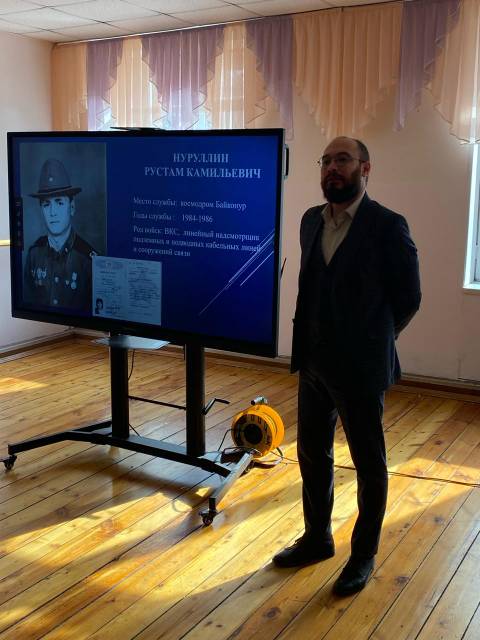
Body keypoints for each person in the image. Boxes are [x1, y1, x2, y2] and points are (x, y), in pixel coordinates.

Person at [273, 137, 421, 596]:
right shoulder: (310, 221)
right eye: (326, 161)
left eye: (343, 159)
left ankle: (363, 555)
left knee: (368, 463)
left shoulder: (388, 225)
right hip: (313, 362)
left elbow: (409, 298)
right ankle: (317, 538)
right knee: (311, 453)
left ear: (365, 168)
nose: (332, 168)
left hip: (360, 368)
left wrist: (373, 342)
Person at [23, 158, 97, 312]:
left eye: (59, 203)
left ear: (72, 207)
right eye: (46, 204)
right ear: (41, 211)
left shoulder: (89, 261)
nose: (52, 212)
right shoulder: (34, 255)